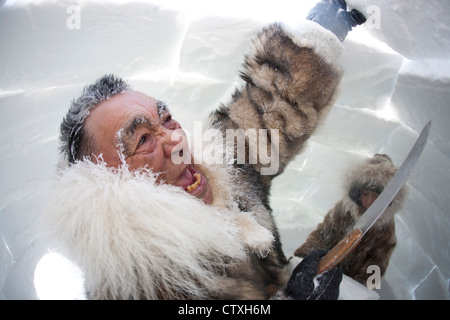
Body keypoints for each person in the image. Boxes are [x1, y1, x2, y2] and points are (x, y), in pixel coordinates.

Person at [43, 0, 367, 299]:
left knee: (363, 215)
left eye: (166, 119)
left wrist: (326, 26)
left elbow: (271, 111)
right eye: (143, 140)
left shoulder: (215, 163)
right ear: (106, 189)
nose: (177, 141)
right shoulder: (137, 285)